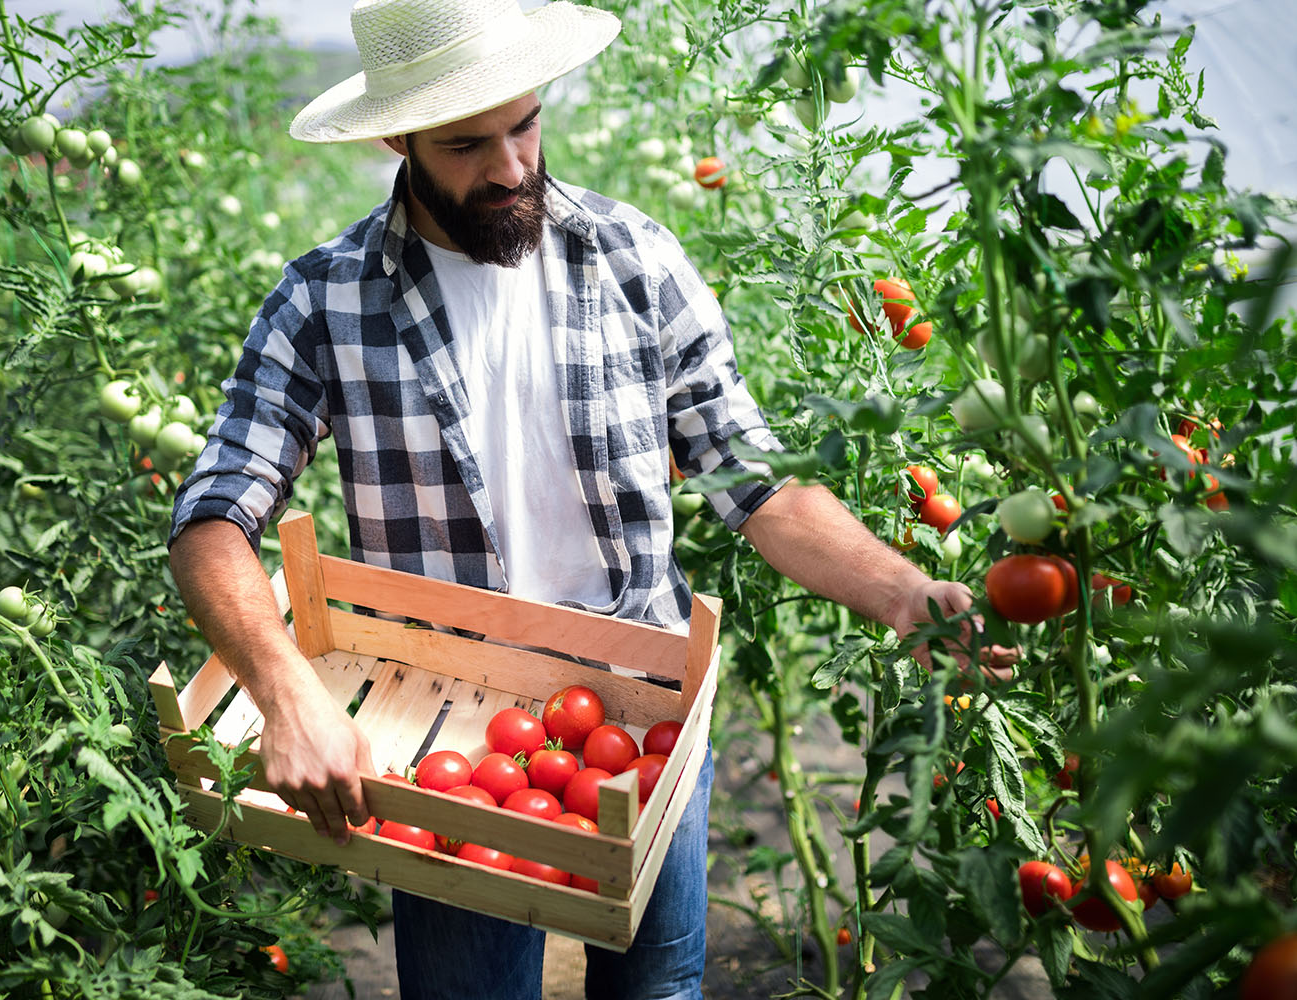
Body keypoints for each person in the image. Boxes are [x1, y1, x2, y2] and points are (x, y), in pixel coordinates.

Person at [167, 1, 1010, 997]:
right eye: (467, 142)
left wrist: (905, 591)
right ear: (397, 138)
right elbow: (213, 514)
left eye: (524, 123)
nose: (512, 167)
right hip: (453, 727)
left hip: (639, 707)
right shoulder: (325, 298)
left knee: (658, 989)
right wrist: (285, 689)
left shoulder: (634, 261)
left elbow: (758, 481)